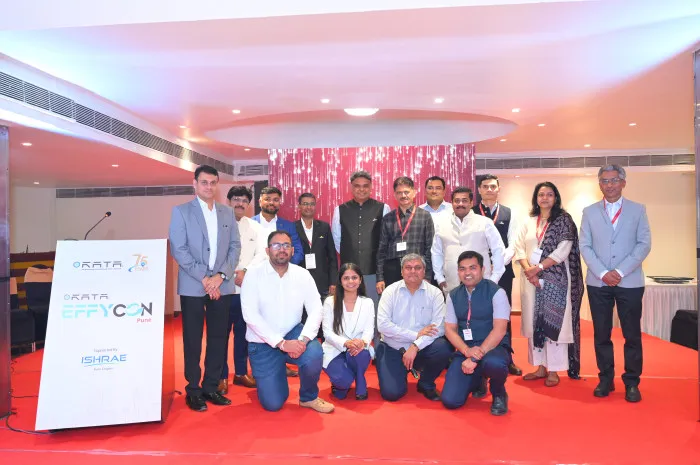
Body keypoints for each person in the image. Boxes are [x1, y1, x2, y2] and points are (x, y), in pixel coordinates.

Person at [168, 165, 241, 412]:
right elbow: (179, 249)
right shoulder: (181, 212)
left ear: (217, 184)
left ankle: (211, 387)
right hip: (193, 285)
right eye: (204, 182)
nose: (209, 187)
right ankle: (193, 389)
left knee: (219, 338)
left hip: (222, 285)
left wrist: (220, 276)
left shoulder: (227, 213)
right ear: (195, 184)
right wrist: (205, 278)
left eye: (212, 182)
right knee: (192, 339)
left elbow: (235, 247)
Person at [241, 230, 334, 413]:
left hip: (293, 333)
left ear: (292, 251)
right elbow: (250, 315)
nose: (282, 249)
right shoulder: (253, 275)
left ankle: (308, 397)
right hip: (262, 342)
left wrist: (303, 341)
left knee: (314, 353)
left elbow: (316, 309)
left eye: (286, 245)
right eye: (276, 245)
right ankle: (273, 375)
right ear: (267, 250)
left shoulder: (302, 275)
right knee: (273, 404)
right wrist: (281, 344)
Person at [580, 165, 651, 402]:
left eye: (614, 180)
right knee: (601, 333)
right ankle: (605, 379)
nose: (609, 185)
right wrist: (603, 273)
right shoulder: (589, 212)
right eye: (604, 181)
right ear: (599, 184)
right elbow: (584, 246)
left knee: (632, 335)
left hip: (629, 282)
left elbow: (644, 244)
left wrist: (619, 271)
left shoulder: (638, 210)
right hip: (598, 283)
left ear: (623, 183)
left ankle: (632, 383)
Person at [513, 181, 583, 387]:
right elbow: (518, 248)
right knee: (534, 323)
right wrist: (530, 270)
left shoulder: (564, 221)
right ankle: (540, 367)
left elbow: (563, 250)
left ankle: (554, 369)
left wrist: (539, 268)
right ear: (536, 198)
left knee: (554, 322)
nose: (545, 198)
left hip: (556, 281)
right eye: (541, 194)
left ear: (556, 198)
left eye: (549, 194)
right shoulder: (528, 222)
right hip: (530, 281)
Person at [441, 251, 511, 415]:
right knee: (451, 401)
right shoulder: (453, 295)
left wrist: (475, 357)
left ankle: (499, 392)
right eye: (462, 269)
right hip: (466, 349)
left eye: (472, 268)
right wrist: (466, 351)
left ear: (482, 269)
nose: (467, 273)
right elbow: (449, 329)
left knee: (494, 364)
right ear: (458, 272)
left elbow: (500, 330)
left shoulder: (497, 292)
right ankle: (478, 379)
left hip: (493, 348)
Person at [376, 253, 452, 402]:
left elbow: (439, 327)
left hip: (422, 348)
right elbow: (383, 326)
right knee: (392, 394)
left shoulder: (435, 293)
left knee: (443, 348)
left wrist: (415, 345)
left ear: (424, 271)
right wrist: (415, 335)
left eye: (417, 268)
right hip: (393, 347)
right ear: (401, 271)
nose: (413, 271)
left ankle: (426, 383)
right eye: (408, 268)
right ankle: (400, 372)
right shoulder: (390, 292)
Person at [217, 186, 266, 394]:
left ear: (249, 204)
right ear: (228, 201)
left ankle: (240, 373)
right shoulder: (217, 224)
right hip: (221, 288)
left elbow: (262, 254)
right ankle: (220, 376)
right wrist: (228, 273)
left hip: (245, 289)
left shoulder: (256, 228)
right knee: (220, 335)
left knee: (243, 334)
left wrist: (245, 271)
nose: (240, 203)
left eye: (244, 200)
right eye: (236, 199)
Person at [473, 174, 522, 376]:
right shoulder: (472, 212)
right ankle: (477, 356)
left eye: (493, 186)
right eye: (485, 186)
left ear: (499, 189)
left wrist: (499, 263)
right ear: (479, 190)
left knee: (503, 315)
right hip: (477, 272)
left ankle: (507, 358)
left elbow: (513, 243)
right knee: (477, 315)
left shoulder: (509, 213)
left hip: (503, 273)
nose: (489, 189)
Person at [331, 170, 390, 308]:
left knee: (374, 309)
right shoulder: (340, 210)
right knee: (350, 309)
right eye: (357, 186)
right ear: (351, 187)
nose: (361, 189)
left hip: (374, 272)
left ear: (371, 187)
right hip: (348, 273)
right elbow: (337, 239)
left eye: (365, 186)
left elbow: (386, 240)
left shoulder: (383, 208)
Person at [432, 187, 506, 292]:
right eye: (457, 201)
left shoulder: (485, 222)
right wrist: (439, 277)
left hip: (482, 283)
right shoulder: (442, 224)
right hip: (451, 283)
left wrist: (494, 278)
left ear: (471, 203)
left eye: (464, 200)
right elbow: (436, 252)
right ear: (452, 203)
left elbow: (498, 250)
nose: (460, 204)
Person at [321, 263, 374, 400]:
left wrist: (363, 342)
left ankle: (360, 381)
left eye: (354, 277)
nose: (351, 281)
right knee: (342, 384)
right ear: (340, 281)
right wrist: (346, 343)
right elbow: (327, 333)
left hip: (358, 349)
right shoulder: (330, 302)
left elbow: (369, 330)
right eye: (346, 278)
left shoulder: (367, 302)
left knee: (362, 354)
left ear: (360, 280)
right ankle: (343, 382)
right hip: (335, 349)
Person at [376, 176, 435, 293]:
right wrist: (380, 278)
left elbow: (430, 248)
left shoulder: (425, 216)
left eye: (406, 192)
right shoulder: (388, 218)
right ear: (395, 195)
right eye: (399, 193)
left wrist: (427, 276)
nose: (403, 195)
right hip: (392, 269)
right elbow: (381, 250)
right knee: (394, 301)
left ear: (414, 192)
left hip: (416, 268)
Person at [295, 192, 339, 302]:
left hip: (322, 282)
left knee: (323, 311)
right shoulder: (292, 227)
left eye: (312, 204)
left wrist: (333, 282)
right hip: (299, 281)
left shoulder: (324, 227)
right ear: (299, 206)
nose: (308, 207)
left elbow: (332, 257)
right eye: (305, 204)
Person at [253, 186, 304, 265]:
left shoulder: (289, 226)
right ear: (260, 202)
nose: (271, 203)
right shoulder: (250, 223)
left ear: (279, 203)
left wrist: (284, 267)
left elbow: (298, 252)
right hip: (255, 270)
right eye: (267, 199)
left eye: (275, 200)